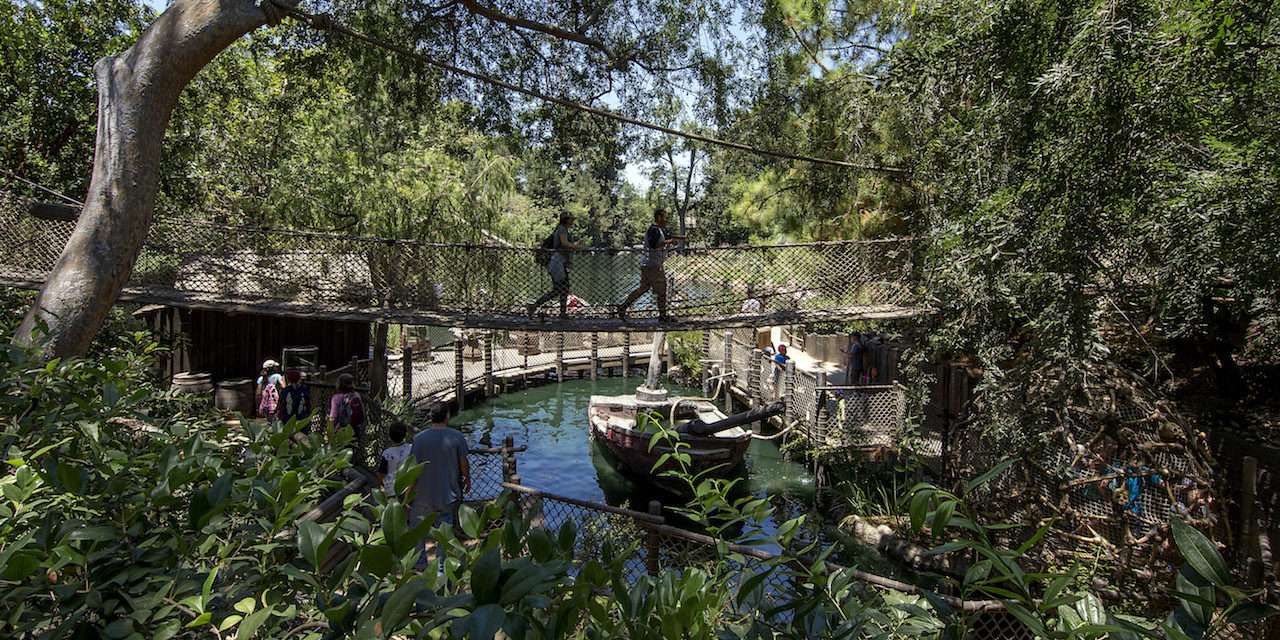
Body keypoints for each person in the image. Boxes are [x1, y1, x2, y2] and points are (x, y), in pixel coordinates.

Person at [409, 402, 471, 569]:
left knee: (417, 531)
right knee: (445, 533)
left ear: (431, 418)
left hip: (422, 494)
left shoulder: (419, 439)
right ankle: (442, 568)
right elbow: (463, 462)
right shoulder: (457, 437)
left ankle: (419, 566)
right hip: (447, 494)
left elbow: (413, 467)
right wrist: (467, 479)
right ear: (447, 417)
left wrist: (410, 490)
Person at [618, 208, 684, 323]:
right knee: (662, 290)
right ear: (659, 217)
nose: (666, 219)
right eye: (664, 217)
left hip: (648, 264)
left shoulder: (659, 230)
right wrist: (670, 242)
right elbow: (654, 245)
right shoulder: (653, 230)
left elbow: (669, 236)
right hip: (653, 265)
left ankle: (623, 307)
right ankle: (663, 317)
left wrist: (680, 238)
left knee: (643, 288)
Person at [528, 213, 583, 318]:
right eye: (571, 219)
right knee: (559, 289)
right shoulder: (562, 229)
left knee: (563, 289)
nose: (573, 222)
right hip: (557, 263)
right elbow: (564, 244)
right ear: (566, 220)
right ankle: (534, 306)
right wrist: (577, 246)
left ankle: (562, 313)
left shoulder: (562, 229)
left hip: (560, 263)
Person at [329, 373, 367, 464]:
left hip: (341, 429)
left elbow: (333, 417)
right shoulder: (356, 395)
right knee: (353, 450)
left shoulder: (336, 398)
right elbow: (362, 412)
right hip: (355, 427)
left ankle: (344, 472)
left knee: (341, 453)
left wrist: (330, 431)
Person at [376, 421, 413, 496]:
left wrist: (381, 487)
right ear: (405, 434)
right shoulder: (411, 448)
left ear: (390, 436)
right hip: (407, 488)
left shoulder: (387, 453)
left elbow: (381, 474)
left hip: (390, 489)